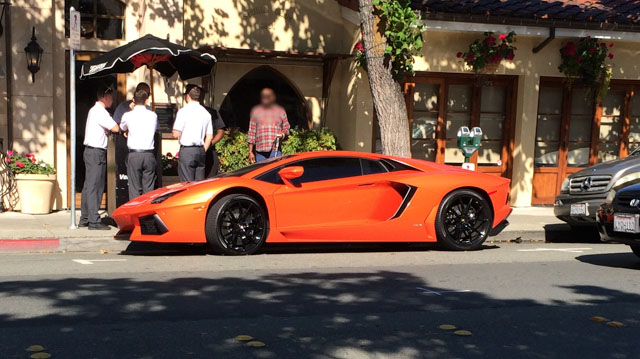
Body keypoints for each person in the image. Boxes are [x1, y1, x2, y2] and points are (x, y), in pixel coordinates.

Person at [80, 86, 119, 230]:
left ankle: (85, 218)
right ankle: (94, 221)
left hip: (91, 152)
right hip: (96, 152)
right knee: (95, 186)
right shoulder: (101, 112)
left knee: (88, 185)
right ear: (105, 97)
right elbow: (115, 128)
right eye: (111, 97)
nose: (112, 99)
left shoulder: (93, 110)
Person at [120, 89, 158, 200]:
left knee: (134, 189)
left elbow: (122, 127)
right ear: (146, 100)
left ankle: (134, 214)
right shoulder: (153, 115)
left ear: (133, 100)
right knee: (149, 190)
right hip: (149, 154)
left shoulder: (127, 115)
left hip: (135, 154)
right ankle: (146, 215)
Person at [172, 85, 213, 182]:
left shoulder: (183, 112)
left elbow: (176, 134)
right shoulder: (206, 113)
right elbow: (210, 136)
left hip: (187, 150)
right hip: (200, 150)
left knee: (187, 185)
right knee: (199, 185)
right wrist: (203, 149)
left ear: (187, 96)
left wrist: (173, 131)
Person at [247, 88, 290, 163]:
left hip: (275, 151)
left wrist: (282, 134)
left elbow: (286, 129)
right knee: (261, 174)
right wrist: (250, 152)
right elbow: (251, 132)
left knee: (275, 174)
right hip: (260, 153)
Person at [204, 102, 226, 178]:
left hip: (210, 152)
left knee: (210, 180)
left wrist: (209, 144)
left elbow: (221, 132)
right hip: (194, 151)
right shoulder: (187, 112)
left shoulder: (212, 112)